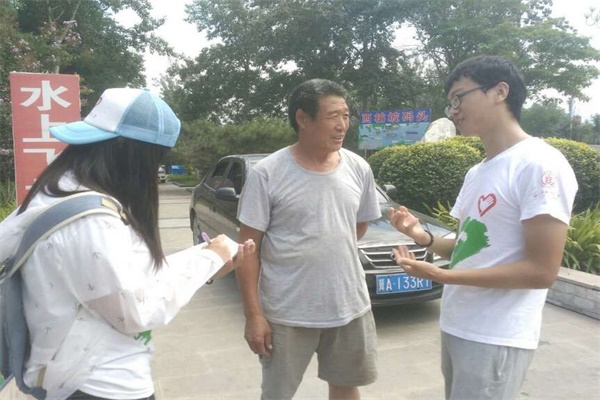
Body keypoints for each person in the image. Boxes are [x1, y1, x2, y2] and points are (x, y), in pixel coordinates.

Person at [0, 87, 255, 400]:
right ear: (133, 154)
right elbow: (136, 310)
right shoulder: (93, 222)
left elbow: (126, 276)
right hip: (98, 385)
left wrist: (206, 259)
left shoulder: (57, 192)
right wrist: (209, 260)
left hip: (67, 374)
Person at [389, 56, 578, 400]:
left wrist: (443, 276)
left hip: (497, 334)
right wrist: (422, 237)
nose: (453, 111)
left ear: (499, 92)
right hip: (458, 325)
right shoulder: (478, 172)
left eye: (459, 97)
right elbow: (465, 247)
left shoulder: (539, 164)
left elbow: (541, 271)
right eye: (450, 103)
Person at [236, 79, 381, 400]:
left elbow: (356, 227)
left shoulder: (358, 168)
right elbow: (247, 251)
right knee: (277, 394)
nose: (342, 125)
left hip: (349, 305)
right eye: (333, 116)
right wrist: (253, 315)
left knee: (346, 386)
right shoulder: (268, 173)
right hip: (287, 312)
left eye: (346, 115)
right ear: (303, 118)